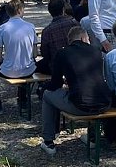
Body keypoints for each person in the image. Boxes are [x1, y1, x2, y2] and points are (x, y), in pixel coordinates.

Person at [40, 26, 111, 156]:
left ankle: (48, 140)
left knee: (47, 95)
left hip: (81, 105)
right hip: (105, 103)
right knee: (88, 94)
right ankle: (92, 138)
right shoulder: (96, 51)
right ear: (84, 38)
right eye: (88, 39)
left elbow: (55, 84)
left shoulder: (63, 53)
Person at [0, 0, 37, 115]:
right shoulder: (31, 26)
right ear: (20, 10)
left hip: (9, 70)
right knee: (25, 65)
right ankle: (23, 100)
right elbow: (35, 54)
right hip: (28, 69)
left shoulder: (2, 28)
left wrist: (4, 61)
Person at [36, 0, 77, 75]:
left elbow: (45, 54)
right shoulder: (74, 23)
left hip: (56, 67)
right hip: (75, 63)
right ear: (63, 9)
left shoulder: (47, 31)